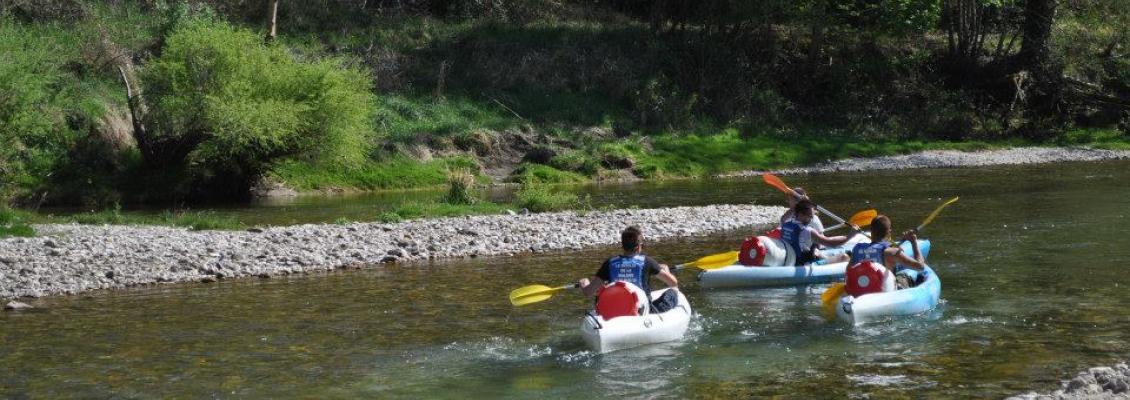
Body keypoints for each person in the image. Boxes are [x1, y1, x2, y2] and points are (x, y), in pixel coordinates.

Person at [579, 226, 680, 313]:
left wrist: (584, 283)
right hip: (642, 311)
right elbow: (673, 283)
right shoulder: (647, 262)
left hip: (615, 309)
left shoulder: (609, 263)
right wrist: (665, 270)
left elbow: (588, 292)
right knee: (673, 292)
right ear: (638, 247)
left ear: (622, 246)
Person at [849, 215, 926, 289]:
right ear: (889, 232)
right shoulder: (892, 253)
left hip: (862, 288)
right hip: (885, 291)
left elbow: (848, 272)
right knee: (909, 275)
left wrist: (903, 240)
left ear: (871, 231)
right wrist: (913, 242)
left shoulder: (857, 249)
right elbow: (920, 267)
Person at [780, 199, 854, 265]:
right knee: (844, 257)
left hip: (791, 260)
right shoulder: (807, 231)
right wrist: (850, 236)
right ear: (800, 214)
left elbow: (783, 217)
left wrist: (800, 204)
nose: (812, 219)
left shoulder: (785, 224)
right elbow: (831, 244)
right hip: (806, 263)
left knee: (817, 251)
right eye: (810, 216)